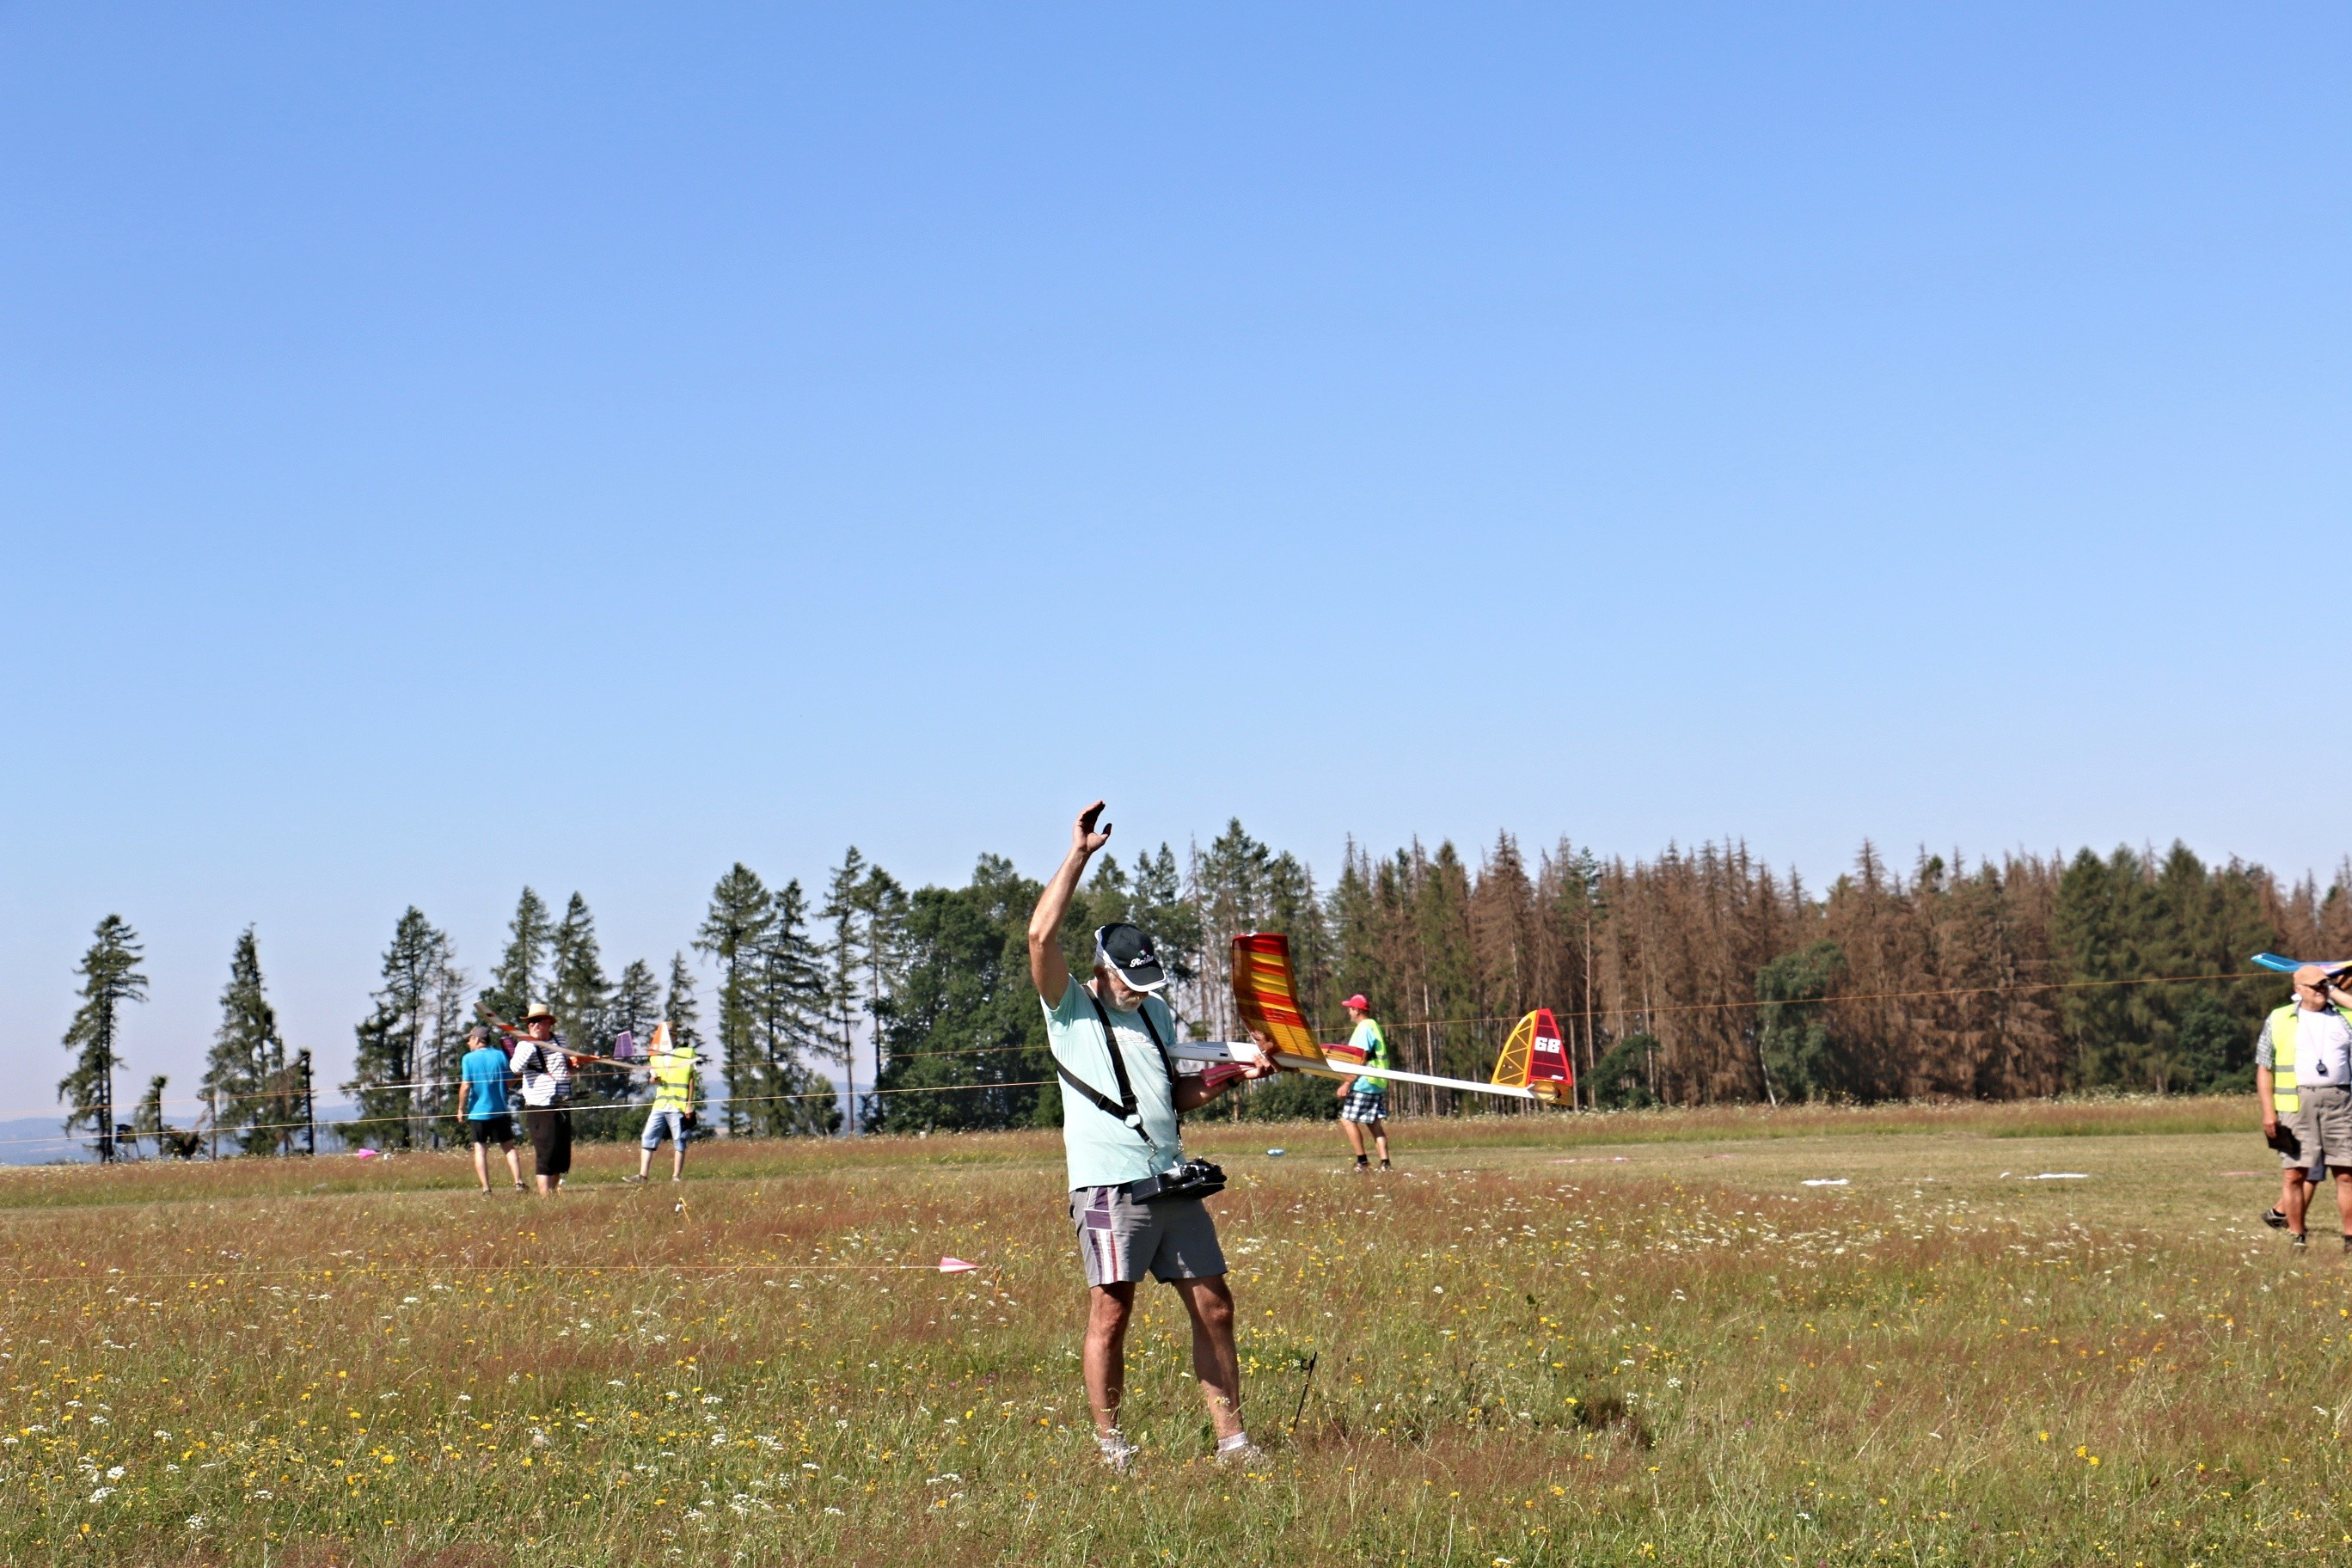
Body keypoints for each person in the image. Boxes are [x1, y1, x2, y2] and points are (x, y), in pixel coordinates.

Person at [1028, 800, 1278, 1472]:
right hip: (1108, 1185)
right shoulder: (1069, 1007)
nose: (1140, 992)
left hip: (1171, 1176)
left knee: (1216, 1306)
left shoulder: (1157, 1012)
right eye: (1130, 982)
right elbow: (1040, 938)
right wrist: (1078, 855)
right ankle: (1112, 1446)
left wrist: (1234, 1075)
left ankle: (1233, 1443)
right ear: (1102, 969)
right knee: (1112, 1312)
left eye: (1148, 983)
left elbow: (1175, 1095)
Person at [2256, 965, 2352, 1248]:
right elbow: (2264, 1068)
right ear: (2298, 989)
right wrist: (2268, 1112)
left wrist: (2333, 990)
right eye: (2316, 986)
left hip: (2341, 1103)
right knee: (2295, 1173)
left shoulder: (2344, 1016)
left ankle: (2350, 1237)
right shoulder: (2279, 1018)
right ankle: (2296, 1235)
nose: (2322, 990)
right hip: (2295, 1104)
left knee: (2347, 1174)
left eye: (2325, 985)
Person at [508, 1002, 575, 1197]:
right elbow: (515, 1068)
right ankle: (545, 1199)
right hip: (540, 1105)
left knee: (560, 1155)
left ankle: (552, 1195)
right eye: (531, 1022)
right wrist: (533, 1042)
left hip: (562, 1102)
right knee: (546, 1153)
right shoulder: (524, 1044)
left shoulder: (561, 1041)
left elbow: (566, 1067)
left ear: (548, 1023)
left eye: (538, 1021)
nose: (533, 1025)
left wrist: (577, 1065)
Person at [628, 1022, 696, 1185]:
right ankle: (643, 1176)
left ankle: (676, 1177)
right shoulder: (655, 1056)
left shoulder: (686, 1053)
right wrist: (654, 1080)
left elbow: (692, 1080)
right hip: (660, 1104)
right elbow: (653, 1078)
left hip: (678, 1105)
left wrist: (689, 1104)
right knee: (648, 1137)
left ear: (674, 1036)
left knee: (679, 1140)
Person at [456, 1027, 523, 1194]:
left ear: (477, 1039)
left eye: (470, 1039)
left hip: (477, 1112)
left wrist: (460, 1109)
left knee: (480, 1149)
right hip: (500, 1109)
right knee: (509, 1147)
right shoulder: (500, 1055)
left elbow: (466, 1086)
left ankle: (486, 1189)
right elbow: (509, 1082)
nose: (468, 1043)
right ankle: (519, 1183)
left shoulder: (468, 1058)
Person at [1333, 993, 1393, 1172]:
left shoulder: (1364, 1028)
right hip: (1378, 1081)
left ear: (1357, 1010)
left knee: (1347, 1120)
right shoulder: (1373, 1025)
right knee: (1374, 1123)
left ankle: (1362, 1162)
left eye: (1350, 1009)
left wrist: (1347, 1083)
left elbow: (1362, 1057)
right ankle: (1385, 1164)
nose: (1349, 1012)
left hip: (1365, 1082)